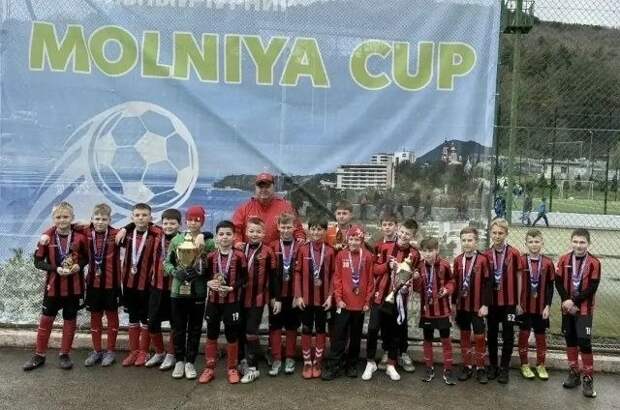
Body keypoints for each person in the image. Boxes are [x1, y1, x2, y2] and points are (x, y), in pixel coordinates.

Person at [23, 202, 88, 371]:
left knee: (70, 321)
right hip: (52, 289)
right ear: (53, 219)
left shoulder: (80, 237)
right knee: (46, 321)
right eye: (58, 217)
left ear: (72, 218)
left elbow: (86, 258)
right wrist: (55, 269)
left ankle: (64, 354)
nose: (62, 220)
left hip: (74, 288)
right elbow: (38, 262)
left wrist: (79, 266)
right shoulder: (46, 238)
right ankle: (39, 355)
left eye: (65, 216)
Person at [365, 219, 419, 381]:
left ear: (413, 236)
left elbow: (414, 277)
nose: (403, 235)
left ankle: (391, 364)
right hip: (380, 296)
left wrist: (414, 277)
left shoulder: (415, 254)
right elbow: (374, 269)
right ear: (398, 230)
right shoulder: (384, 247)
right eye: (402, 232)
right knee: (373, 328)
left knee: (395, 332)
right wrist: (387, 266)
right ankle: (370, 362)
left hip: (399, 299)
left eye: (408, 234)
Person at [165, 206, 215, 380]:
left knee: (195, 329)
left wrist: (203, 272)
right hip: (178, 292)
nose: (193, 223)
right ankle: (179, 360)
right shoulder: (177, 240)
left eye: (197, 220)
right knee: (178, 328)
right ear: (185, 221)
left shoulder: (208, 242)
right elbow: (167, 262)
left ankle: (190, 362)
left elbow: (216, 260)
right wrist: (174, 272)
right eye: (190, 219)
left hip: (198, 291)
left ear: (202, 222)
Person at [322, 225, 374, 380]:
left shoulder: (368, 256)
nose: (353, 242)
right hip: (343, 304)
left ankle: (352, 364)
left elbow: (371, 281)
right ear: (347, 239)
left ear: (361, 240)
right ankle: (334, 365)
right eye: (351, 239)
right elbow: (337, 279)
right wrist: (338, 299)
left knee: (356, 337)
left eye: (357, 239)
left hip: (360, 305)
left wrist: (367, 301)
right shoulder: (341, 255)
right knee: (339, 337)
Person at [200, 220, 247, 384]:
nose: (224, 237)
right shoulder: (210, 256)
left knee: (232, 335)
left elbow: (245, 278)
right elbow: (204, 276)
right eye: (221, 234)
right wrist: (208, 283)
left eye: (228, 234)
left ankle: (232, 368)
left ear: (234, 236)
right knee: (211, 334)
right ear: (216, 237)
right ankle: (209, 368)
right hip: (213, 302)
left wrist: (232, 287)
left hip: (232, 302)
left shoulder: (240, 256)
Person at [556, 228, 601, 398]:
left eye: (582, 242)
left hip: (584, 310)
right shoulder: (564, 259)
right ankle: (574, 374)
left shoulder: (594, 262)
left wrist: (574, 301)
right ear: (571, 242)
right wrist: (566, 300)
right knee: (570, 340)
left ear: (588, 243)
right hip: (567, 308)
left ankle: (588, 378)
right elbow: (558, 282)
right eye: (575, 241)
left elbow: (593, 287)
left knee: (584, 342)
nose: (578, 245)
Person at [118, 203, 163, 367]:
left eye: (144, 215)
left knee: (145, 319)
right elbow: (96, 228)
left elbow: (173, 231)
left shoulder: (156, 233)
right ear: (132, 217)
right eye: (137, 215)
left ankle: (144, 352)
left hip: (147, 285)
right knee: (132, 317)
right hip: (129, 284)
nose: (141, 218)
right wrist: (126, 227)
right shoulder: (126, 234)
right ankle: (134, 351)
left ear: (150, 217)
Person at [238, 217, 280, 384]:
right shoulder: (240, 249)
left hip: (257, 298)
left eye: (258, 231)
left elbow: (274, 277)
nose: (254, 234)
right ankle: (242, 361)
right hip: (238, 298)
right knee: (239, 330)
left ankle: (253, 368)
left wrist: (276, 298)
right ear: (246, 232)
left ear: (264, 234)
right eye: (251, 231)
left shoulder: (268, 252)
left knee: (251, 331)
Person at [80, 204, 122, 367]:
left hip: (112, 284)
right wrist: (47, 233)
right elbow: (63, 226)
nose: (100, 222)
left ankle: (110, 351)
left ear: (110, 220)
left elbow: (138, 230)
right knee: (95, 317)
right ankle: (97, 350)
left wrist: (126, 228)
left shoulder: (116, 233)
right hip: (93, 284)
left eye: (104, 219)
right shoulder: (85, 231)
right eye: (97, 219)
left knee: (112, 316)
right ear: (92, 219)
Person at [294, 216, 336, 379]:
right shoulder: (303, 249)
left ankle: (317, 361)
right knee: (306, 329)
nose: (316, 232)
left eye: (319, 229)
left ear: (325, 231)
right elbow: (297, 273)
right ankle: (307, 362)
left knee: (320, 330)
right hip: (305, 299)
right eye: (313, 229)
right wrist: (298, 295)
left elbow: (334, 276)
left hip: (323, 300)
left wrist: (330, 296)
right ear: (308, 230)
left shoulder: (330, 251)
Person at [412, 238, 456, 385]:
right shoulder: (419, 266)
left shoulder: (444, 265)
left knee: (445, 340)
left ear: (437, 250)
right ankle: (429, 367)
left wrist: (447, 289)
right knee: (427, 339)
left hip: (443, 310)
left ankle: (448, 369)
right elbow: (417, 289)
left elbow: (452, 281)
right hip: (427, 312)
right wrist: (416, 279)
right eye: (424, 251)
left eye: (430, 251)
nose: (428, 254)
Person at [484, 218, 522, 384]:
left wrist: (518, 302)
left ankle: (504, 367)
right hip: (492, 303)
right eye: (494, 232)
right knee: (491, 334)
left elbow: (519, 277)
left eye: (500, 233)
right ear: (490, 233)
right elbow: (484, 281)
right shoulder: (486, 254)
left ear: (506, 234)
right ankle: (493, 365)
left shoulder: (514, 253)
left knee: (508, 335)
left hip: (509, 303)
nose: (497, 236)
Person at [144, 209, 182, 371]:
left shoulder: (184, 239)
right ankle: (159, 352)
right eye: (165, 223)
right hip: (157, 287)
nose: (169, 226)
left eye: (173, 223)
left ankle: (171, 354)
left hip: (175, 289)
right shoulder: (156, 235)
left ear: (179, 224)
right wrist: (126, 228)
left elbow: (205, 236)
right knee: (152, 322)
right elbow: (141, 223)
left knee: (175, 323)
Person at [452, 227, 491, 384]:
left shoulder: (483, 260)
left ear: (476, 241)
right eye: (464, 240)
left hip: (478, 307)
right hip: (462, 306)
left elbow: (488, 284)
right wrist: (453, 304)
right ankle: (467, 366)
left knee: (480, 336)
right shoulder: (457, 260)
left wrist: (485, 305)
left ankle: (481, 367)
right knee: (465, 335)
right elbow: (454, 283)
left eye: (470, 240)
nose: (467, 243)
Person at [517, 229, 555, 381]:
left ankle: (541, 365)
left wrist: (548, 306)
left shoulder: (548, 262)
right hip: (524, 307)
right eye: (531, 242)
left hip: (540, 307)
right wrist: (517, 304)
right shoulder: (520, 260)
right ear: (526, 243)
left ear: (542, 243)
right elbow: (515, 283)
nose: (534, 244)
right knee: (523, 334)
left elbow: (550, 286)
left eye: (537, 241)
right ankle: (524, 364)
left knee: (540, 335)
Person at [267, 213, 302, 376]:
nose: (286, 230)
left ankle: (289, 357)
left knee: (292, 326)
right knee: (275, 326)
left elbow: (302, 274)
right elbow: (271, 274)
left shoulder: (300, 247)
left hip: (293, 296)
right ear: (278, 227)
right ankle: (276, 358)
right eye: (283, 227)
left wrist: (298, 295)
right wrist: (274, 297)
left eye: (289, 227)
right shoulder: (272, 246)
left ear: (294, 228)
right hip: (276, 296)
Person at [232, 172, 305, 249]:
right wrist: (237, 242)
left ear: (273, 187)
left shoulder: (286, 207)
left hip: (278, 252)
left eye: (267, 186)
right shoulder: (244, 208)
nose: (264, 189)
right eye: (260, 187)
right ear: (255, 188)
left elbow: (297, 228)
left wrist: (300, 237)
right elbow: (235, 229)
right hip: (251, 253)